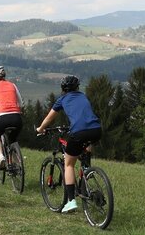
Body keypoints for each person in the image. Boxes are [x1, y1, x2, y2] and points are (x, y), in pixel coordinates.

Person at [36, 75, 102, 213]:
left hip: (79, 132)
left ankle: (71, 201)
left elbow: (49, 118)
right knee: (86, 146)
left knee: (68, 163)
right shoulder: (83, 96)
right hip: (96, 130)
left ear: (63, 89)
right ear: (77, 87)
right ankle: (86, 169)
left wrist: (41, 129)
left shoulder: (62, 99)